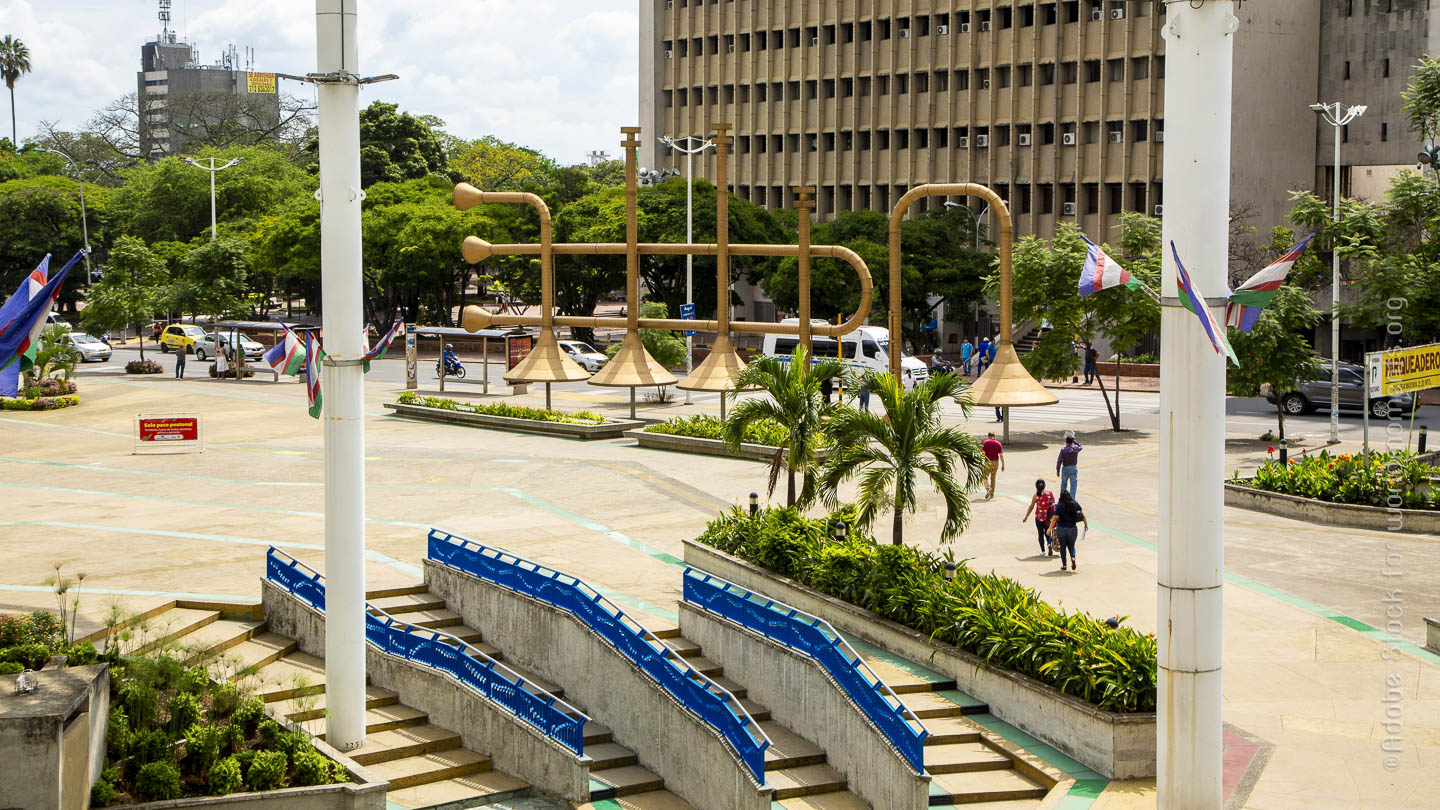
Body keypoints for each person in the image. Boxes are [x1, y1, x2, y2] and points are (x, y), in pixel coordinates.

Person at [1047, 490, 1087, 571]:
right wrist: (1086, 524)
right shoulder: (1074, 503)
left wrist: (1049, 528)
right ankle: (1073, 558)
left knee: (1062, 546)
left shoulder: (1059, 505)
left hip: (1061, 528)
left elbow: (1055, 518)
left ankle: (1064, 565)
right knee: (1071, 546)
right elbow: (1082, 513)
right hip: (1072, 529)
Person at [1022, 478, 1057, 556]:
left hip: (1039, 517)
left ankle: (1043, 551)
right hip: (1048, 518)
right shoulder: (1050, 494)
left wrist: (1026, 516)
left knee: (1040, 533)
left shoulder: (1036, 495)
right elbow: (1054, 505)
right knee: (1048, 532)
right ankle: (1049, 544)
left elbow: (1031, 507)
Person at [1056, 432, 1083, 498]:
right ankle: (1072, 499)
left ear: (1066, 442)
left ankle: (1062, 498)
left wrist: (1058, 470)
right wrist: (1075, 440)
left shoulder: (1063, 450)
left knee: (1064, 484)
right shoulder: (1075, 448)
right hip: (1073, 468)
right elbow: (1081, 446)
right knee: (1073, 485)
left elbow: (1059, 460)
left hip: (1065, 468)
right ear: (1072, 442)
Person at [981, 431, 1004, 499]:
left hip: (987, 462)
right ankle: (992, 494)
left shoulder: (985, 443)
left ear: (988, 436)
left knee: (984, 477)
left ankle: (988, 488)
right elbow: (1001, 455)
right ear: (994, 436)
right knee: (993, 478)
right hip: (995, 462)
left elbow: (982, 453)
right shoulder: (998, 443)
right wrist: (1003, 464)